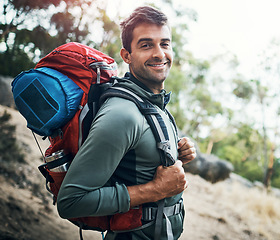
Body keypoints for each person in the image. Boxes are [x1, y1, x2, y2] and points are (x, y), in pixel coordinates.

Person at [57, 5, 196, 240]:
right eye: (146, 45)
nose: (159, 54)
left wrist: (178, 151)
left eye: (165, 43)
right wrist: (155, 190)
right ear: (126, 55)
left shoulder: (152, 102)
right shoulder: (122, 114)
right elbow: (71, 202)